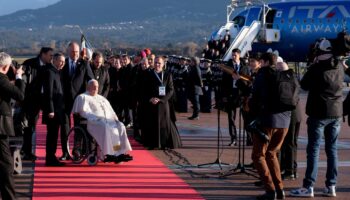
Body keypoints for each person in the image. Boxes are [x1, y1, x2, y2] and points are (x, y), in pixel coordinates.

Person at [290, 39, 343, 198]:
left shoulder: (316, 69)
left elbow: (304, 85)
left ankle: (308, 186)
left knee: (313, 150)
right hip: (336, 113)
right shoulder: (339, 66)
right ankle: (331, 185)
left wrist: (312, 65)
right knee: (332, 150)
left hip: (318, 113)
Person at [249, 52, 290, 200]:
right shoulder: (283, 74)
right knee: (272, 154)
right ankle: (280, 190)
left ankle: (270, 190)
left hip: (267, 121)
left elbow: (255, 99)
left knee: (258, 155)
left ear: (264, 62)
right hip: (285, 121)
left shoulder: (263, 75)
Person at [72, 79, 133, 163]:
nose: (96, 88)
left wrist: (116, 119)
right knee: (106, 127)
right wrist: (96, 118)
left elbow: (111, 110)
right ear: (88, 87)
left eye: (97, 87)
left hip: (108, 121)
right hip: (93, 122)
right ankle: (108, 153)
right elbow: (82, 112)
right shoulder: (82, 97)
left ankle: (118, 152)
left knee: (120, 126)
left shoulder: (102, 98)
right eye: (94, 86)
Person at [60, 41, 94, 161]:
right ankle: (65, 152)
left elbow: (91, 80)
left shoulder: (84, 63)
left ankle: (77, 150)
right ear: (68, 51)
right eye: (73, 52)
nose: (75, 54)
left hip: (80, 101)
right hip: (65, 101)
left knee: (79, 126)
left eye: (76, 52)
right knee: (65, 127)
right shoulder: (62, 63)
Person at [140, 56, 182, 149]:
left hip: (163, 103)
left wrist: (162, 100)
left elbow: (171, 90)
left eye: (159, 63)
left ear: (163, 64)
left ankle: (164, 143)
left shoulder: (167, 75)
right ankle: (153, 143)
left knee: (164, 124)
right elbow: (143, 90)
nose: (157, 65)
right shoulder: (148, 74)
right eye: (155, 62)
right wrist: (150, 98)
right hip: (152, 104)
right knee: (152, 124)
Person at [0, 52, 25, 200]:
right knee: (7, 165)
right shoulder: (1, 80)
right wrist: (19, 76)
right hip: (0, 127)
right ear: (6, 66)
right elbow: (20, 95)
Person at [21, 47, 53, 161]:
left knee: (32, 127)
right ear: (42, 54)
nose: (51, 58)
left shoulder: (49, 66)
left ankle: (26, 149)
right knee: (29, 127)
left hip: (43, 100)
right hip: (30, 101)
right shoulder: (29, 64)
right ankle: (27, 151)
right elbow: (23, 83)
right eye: (50, 55)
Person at [276, 62, 302, 180]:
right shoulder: (294, 78)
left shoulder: (283, 79)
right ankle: (292, 169)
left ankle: (289, 170)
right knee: (292, 142)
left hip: (289, 114)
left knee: (288, 143)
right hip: (297, 114)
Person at [221, 48, 250, 146]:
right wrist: (224, 95)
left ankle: (249, 138)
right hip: (231, 93)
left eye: (235, 55)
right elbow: (223, 82)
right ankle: (233, 139)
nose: (233, 57)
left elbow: (248, 81)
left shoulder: (244, 67)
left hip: (241, 94)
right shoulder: (227, 67)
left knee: (246, 117)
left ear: (239, 55)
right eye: (232, 55)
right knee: (231, 118)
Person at [42, 53, 66, 166]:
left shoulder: (57, 72)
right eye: (60, 61)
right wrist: (50, 110)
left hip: (58, 110)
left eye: (63, 61)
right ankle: (50, 158)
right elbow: (49, 93)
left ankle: (51, 157)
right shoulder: (50, 73)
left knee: (54, 135)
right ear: (54, 61)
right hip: (53, 111)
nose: (62, 63)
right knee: (52, 135)